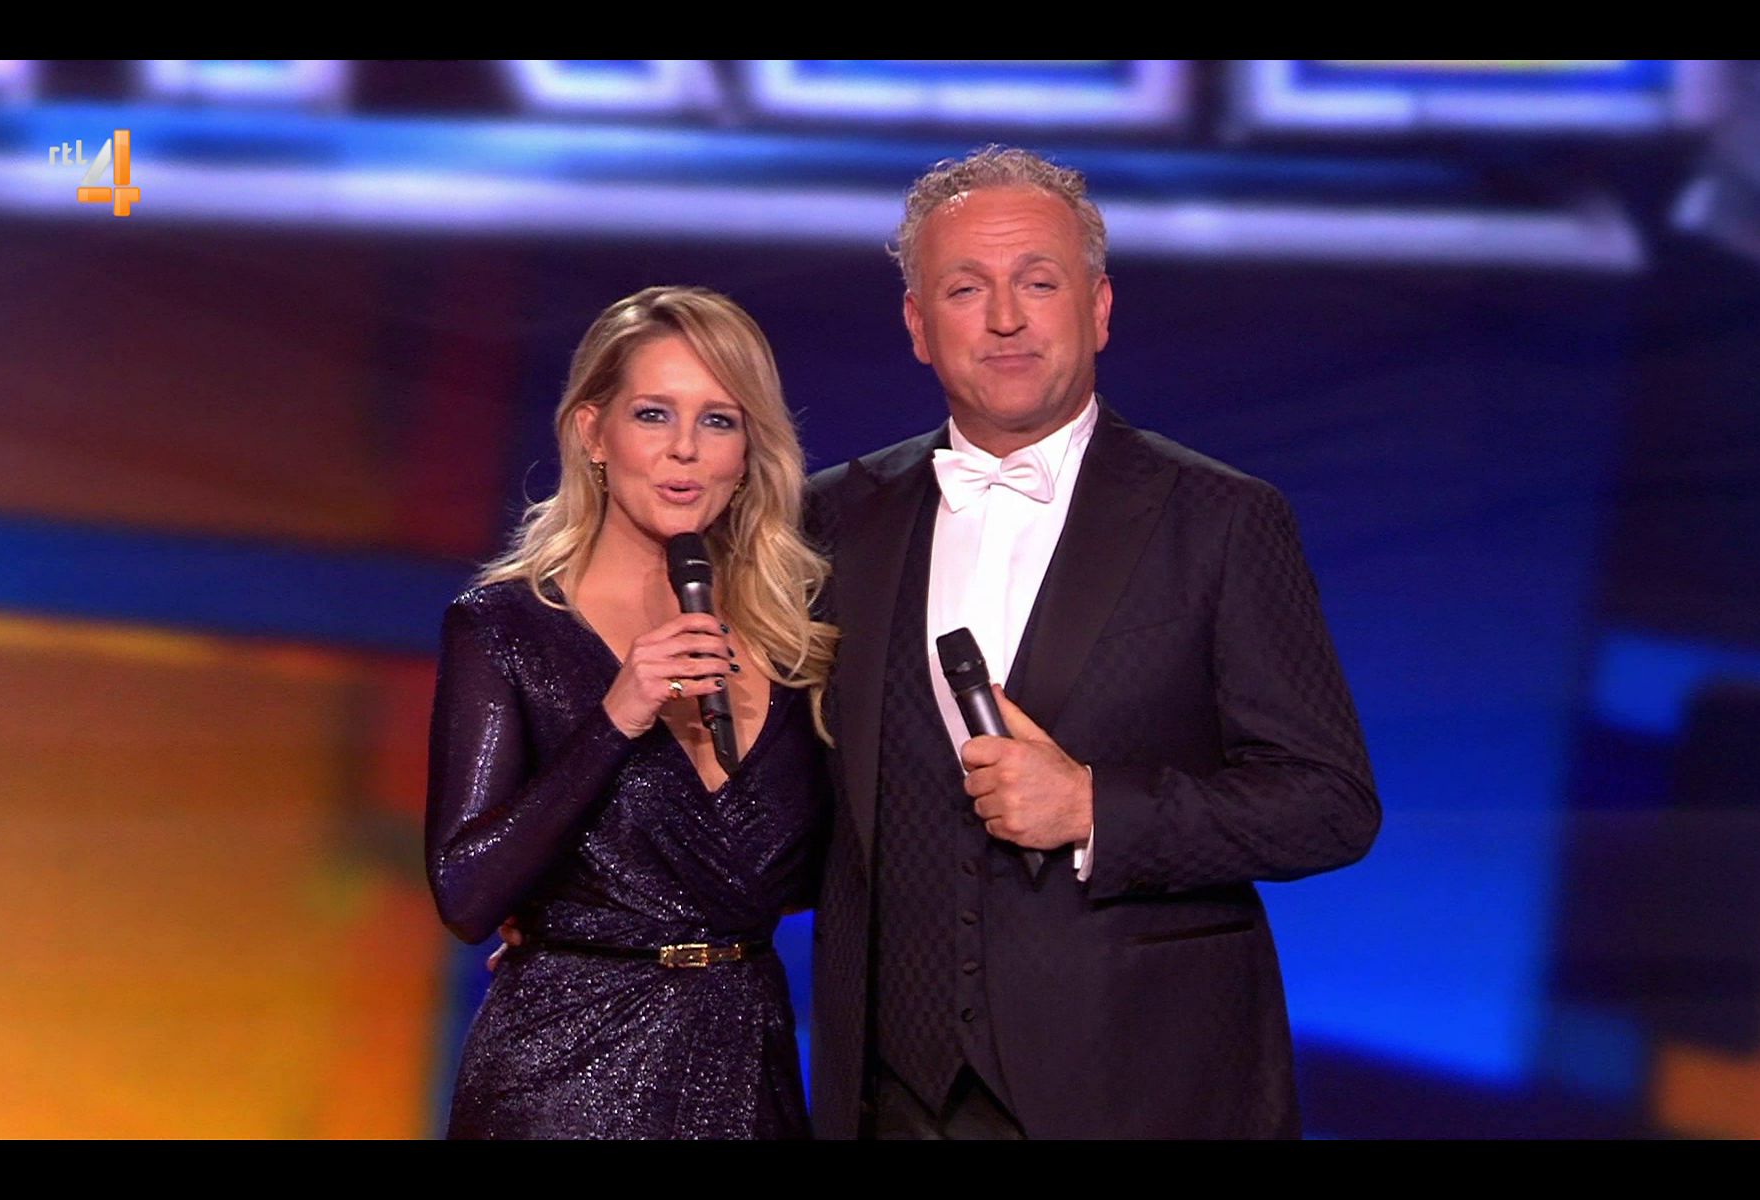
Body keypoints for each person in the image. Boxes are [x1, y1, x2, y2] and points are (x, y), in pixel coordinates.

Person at [803, 146, 1381, 1139]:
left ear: (1100, 308)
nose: (1006, 317)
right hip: (892, 1097)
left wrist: (1092, 809)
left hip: (1143, 1090)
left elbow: (1330, 806)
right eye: (965, 288)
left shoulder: (1221, 518)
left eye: (1039, 282)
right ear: (918, 326)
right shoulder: (829, 520)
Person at [425, 285, 837, 1139]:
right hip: (565, 1075)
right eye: (654, 414)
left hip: (746, 1068)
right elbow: (465, 894)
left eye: (718, 420)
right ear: (593, 433)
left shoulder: (799, 635)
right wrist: (616, 717)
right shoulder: (506, 628)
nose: (685, 448)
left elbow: (833, 866)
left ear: (748, 451)